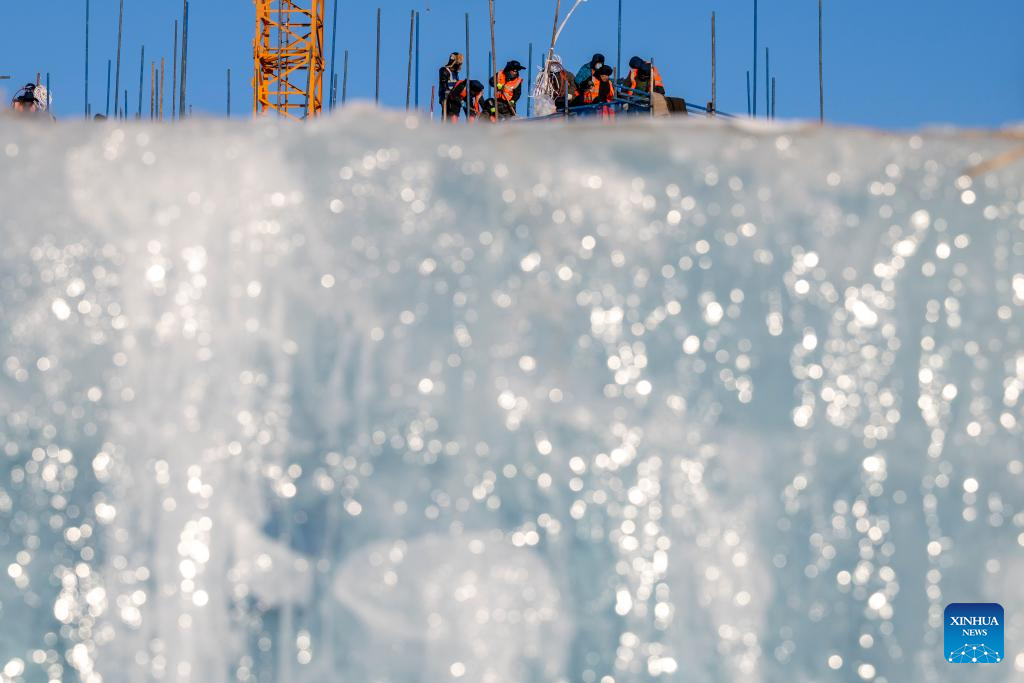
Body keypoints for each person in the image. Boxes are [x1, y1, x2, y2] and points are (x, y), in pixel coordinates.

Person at [438, 52, 463, 118]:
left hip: (454, 98)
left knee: (454, 116)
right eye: (459, 63)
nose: (460, 65)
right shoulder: (444, 70)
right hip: (446, 98)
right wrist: (449, 93)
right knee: (447, 115)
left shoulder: (455, 73)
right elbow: (444, 85)